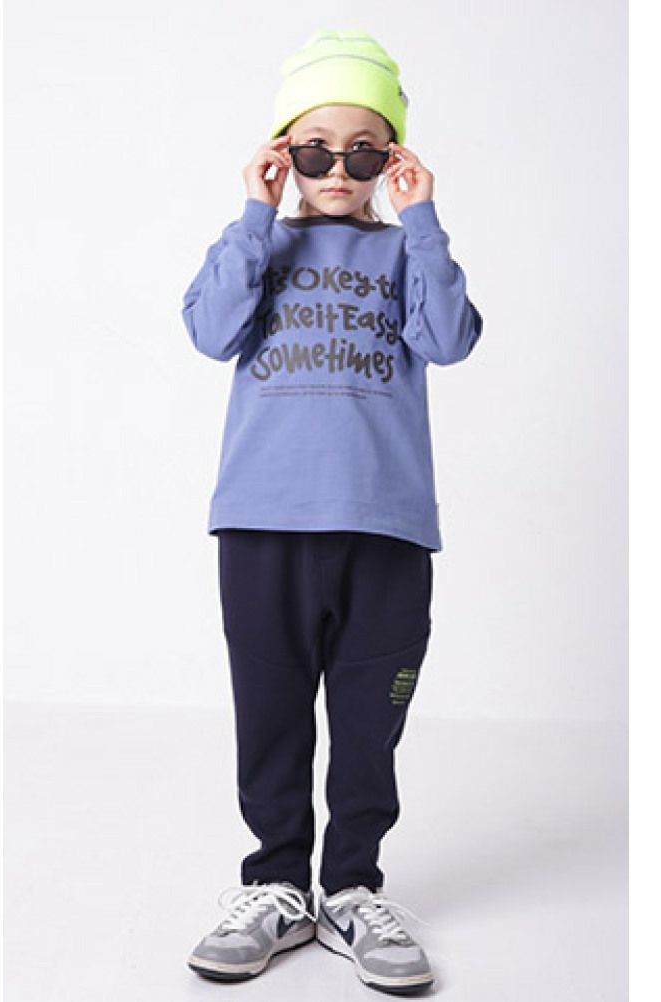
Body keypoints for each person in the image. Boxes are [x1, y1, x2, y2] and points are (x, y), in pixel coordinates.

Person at [181, 29, 483, 995]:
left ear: (392, 157)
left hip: (385, 526)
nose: (339, 171)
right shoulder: (256, 246)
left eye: (364, 152)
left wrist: (423, 218)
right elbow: (209, 330)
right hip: (263, 521)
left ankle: (351, 887)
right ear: (285, 152)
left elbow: (450, 339)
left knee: (366, 723)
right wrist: (255, 211)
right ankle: (275, 883)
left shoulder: (404, 252)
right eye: (316, 151)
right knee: (270, 715)